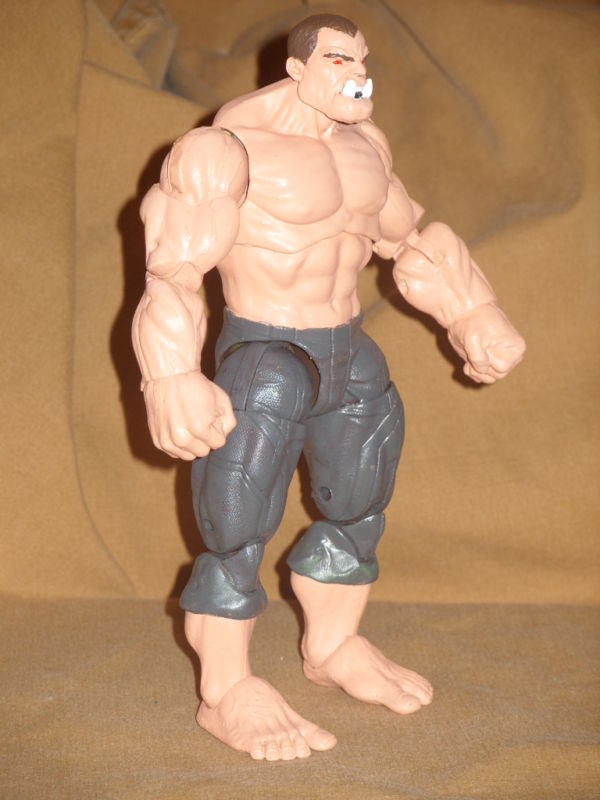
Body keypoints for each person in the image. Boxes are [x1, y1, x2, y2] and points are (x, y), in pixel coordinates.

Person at [132, 13, 525, 761]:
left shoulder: (366, 147)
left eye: (362, 58)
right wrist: (171, 375)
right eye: (340, 58)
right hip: (265, 352)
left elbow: (409, 240)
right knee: (236, 521)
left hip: (348, 350)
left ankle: (334, 646)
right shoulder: (226, 151)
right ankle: (227, 689)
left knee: (360, 500)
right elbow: (174, 267)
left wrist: (472, 313)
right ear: (298, 68)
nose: (358, 72)